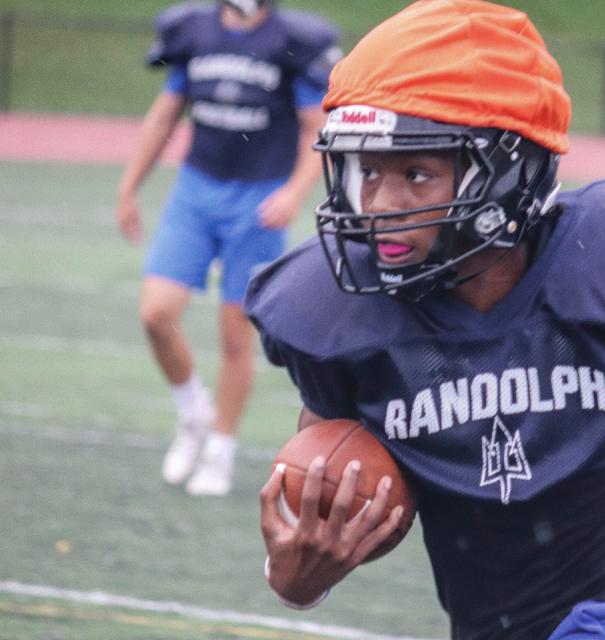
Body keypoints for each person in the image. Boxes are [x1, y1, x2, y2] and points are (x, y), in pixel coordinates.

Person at [245, 1, 605, 637]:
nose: (380, 205)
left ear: (506, 171)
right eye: (366, 172)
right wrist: (299, 578)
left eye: (416, 173)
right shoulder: (346, 313)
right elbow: (338, 509)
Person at [115, 0, 340, 496]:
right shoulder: (193, 31)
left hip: (257, 200)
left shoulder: (291, 41)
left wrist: (293, 191)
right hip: (196, 190)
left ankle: (220, 448)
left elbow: (314, 128)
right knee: (156, 313)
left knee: (235, 338)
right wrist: (130, 185)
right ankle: (193, 410)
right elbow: (164, 116)